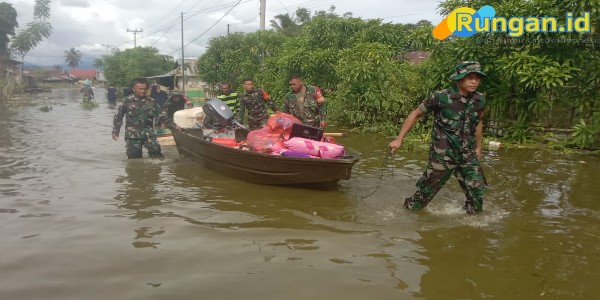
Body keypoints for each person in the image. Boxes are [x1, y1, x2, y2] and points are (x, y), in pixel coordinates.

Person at [388, 61, 488, 214]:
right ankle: (405, 214)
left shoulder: (479, 100)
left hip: (468, 155)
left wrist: (478, 147)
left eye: (477, 78)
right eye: (470, 77)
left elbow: (478, 123)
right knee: (423, 195)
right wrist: (399, 139)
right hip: (443, 156)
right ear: (459, 79)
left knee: (477, 193)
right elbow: (415, 114)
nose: (474, 82)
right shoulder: (440, 97)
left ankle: (471, 227)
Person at [112, 78, 175, 159]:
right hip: (133, 136)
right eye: (140, 89)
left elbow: (162, 116)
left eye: (145, 89)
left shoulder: (152, 101)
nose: (143, 91)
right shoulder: (126, 101)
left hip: (149, 135)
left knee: (157, 155)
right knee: (134, 160)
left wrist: (174, 126)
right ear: (133, 89)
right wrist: (115, 131)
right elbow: (118, 116)